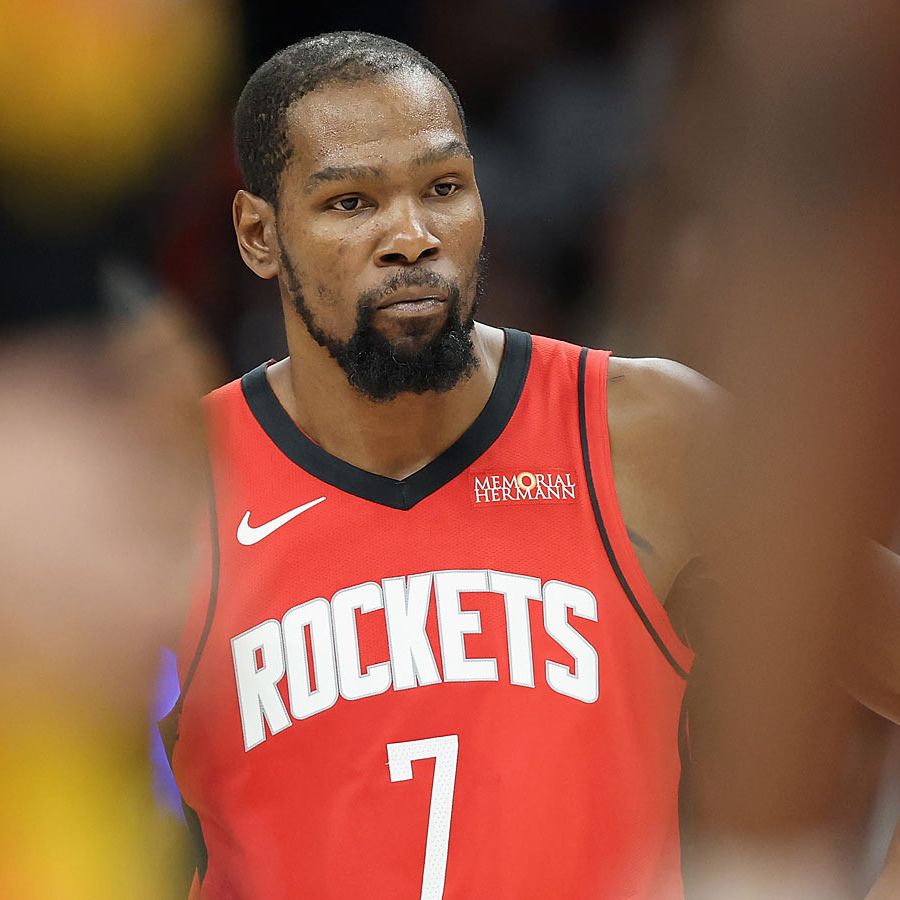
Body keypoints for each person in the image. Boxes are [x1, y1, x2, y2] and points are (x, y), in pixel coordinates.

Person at [163, 30, 900, 899]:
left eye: (443, 188)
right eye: (351, 202)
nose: (412, 237)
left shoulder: (647, 436)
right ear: (259, 234)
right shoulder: (171, 485)